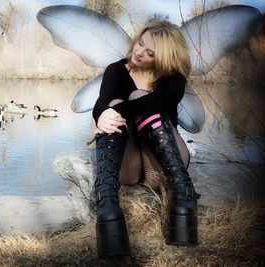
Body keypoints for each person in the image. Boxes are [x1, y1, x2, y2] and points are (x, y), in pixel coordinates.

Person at [92, 19, 200, 258]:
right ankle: (108, 204)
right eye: (140, 43)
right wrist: (101, 115)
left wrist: (118, 112)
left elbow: (164, 100)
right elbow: (101, 103)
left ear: (163, 57)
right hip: (128, 164)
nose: (138, 52)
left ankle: (181, 194)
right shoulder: (116, 70)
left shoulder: (172, 78)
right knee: (113, 103)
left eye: (149, 52)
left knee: (134, 98)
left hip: (162, 165)